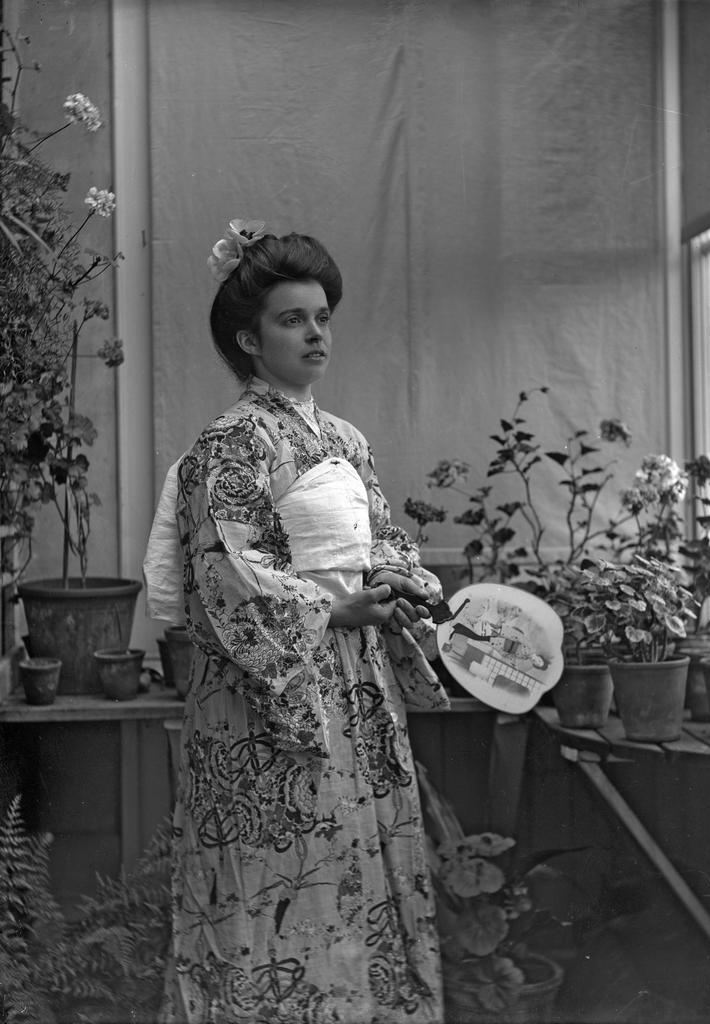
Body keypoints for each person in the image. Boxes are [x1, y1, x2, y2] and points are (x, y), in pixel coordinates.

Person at [150, 220, 450, 1023]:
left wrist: (398, 582)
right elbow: (227, 571)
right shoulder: (231, 443)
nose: (315, 332)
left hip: (355, 681)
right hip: (267, 693)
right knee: (272, 874)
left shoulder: (347, 440)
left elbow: (382, 536)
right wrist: (337, 608)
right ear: (249, 339)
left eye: (322, 316)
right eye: (292, 319)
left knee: (357, 863)